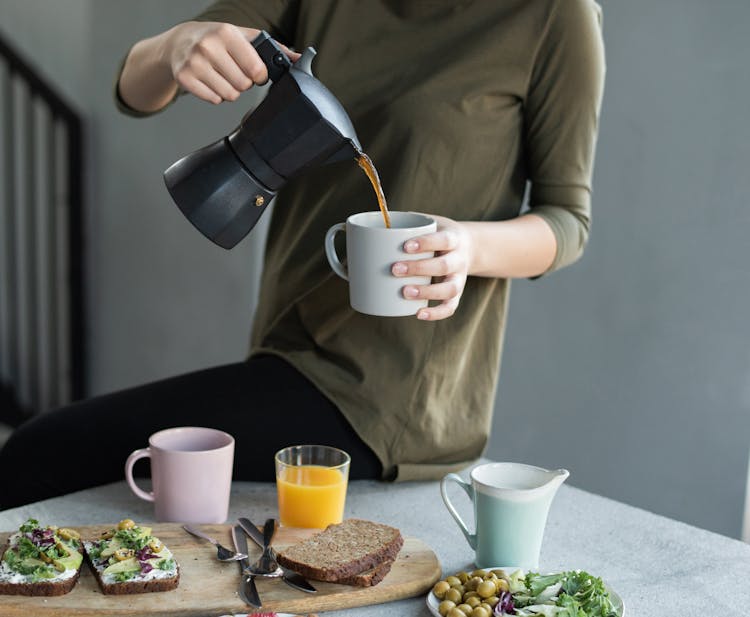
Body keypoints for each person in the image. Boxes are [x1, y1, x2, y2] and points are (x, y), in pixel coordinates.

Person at [0, 0, 605, 509]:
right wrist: (176, 46)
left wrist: (467, 247)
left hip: (392, 395)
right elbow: (135, 89)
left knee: (41, 452)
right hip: (284, 349)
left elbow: (567, 220)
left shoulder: (554, 15)